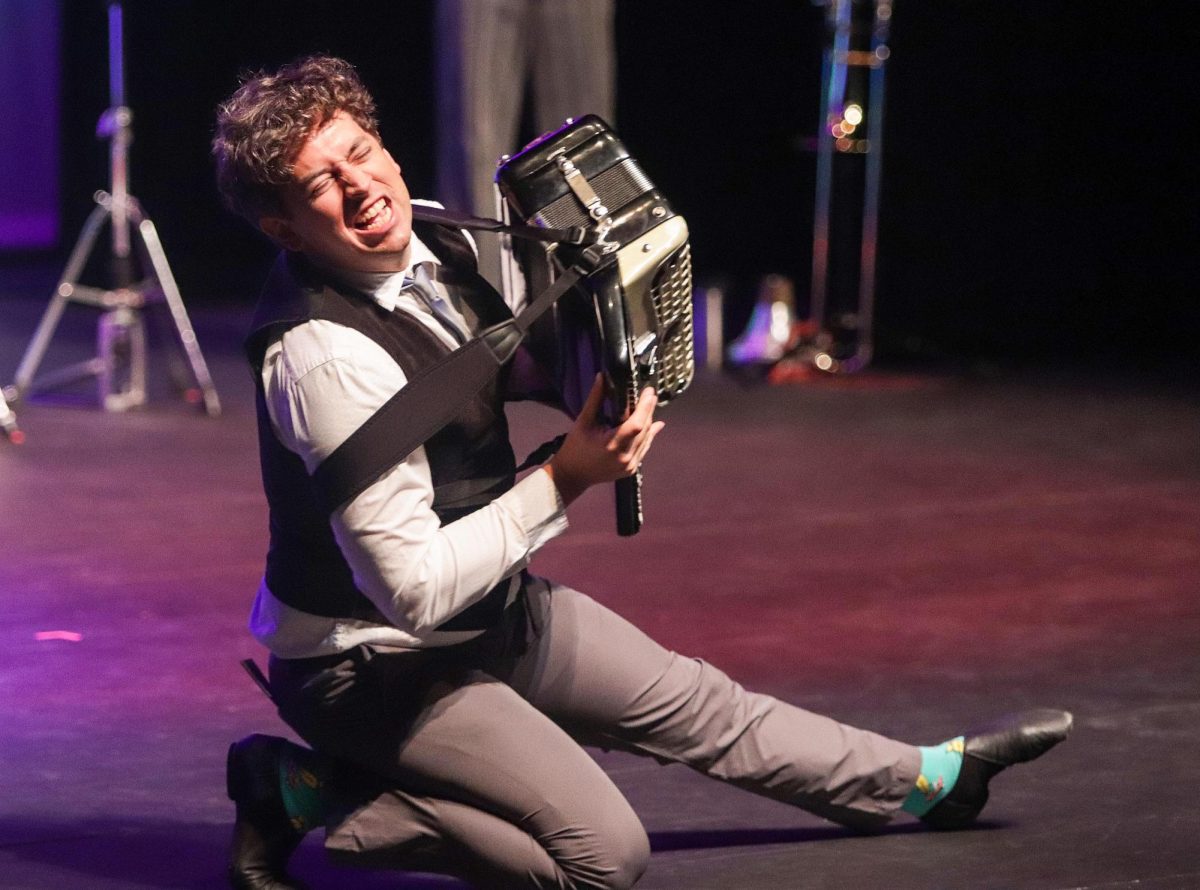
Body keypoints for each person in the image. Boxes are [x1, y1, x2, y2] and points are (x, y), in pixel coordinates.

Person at [212, 55, 1072, 890]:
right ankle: (310, 791)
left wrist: (602, 353)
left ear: (385, 147)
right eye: (320, 182)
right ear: (283, 228)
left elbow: (472, 374)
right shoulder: (324, 360)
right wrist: (565, 479)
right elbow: (409, 592)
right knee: (600, 859)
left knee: (702, 706)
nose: (360, 184)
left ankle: (933, 781)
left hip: (485, 614)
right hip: (372, 667)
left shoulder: (432, 236)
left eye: (359, 151)